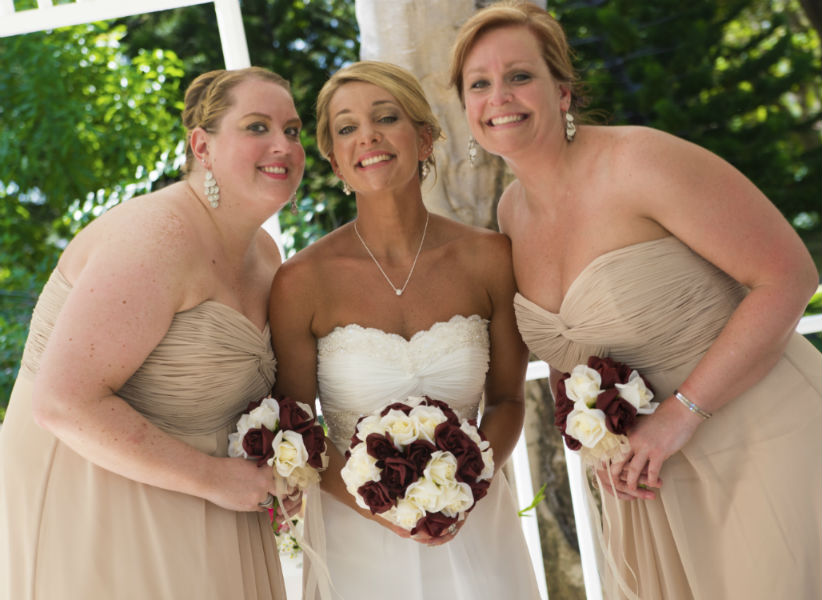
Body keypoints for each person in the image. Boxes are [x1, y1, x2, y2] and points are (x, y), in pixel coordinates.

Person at [449, 2, 822, 599]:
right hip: (650, 481)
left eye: (520, 76)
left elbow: (789, 276)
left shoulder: (640, 161)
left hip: (763, 439)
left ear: (562, 92)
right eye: (480, 84)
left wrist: (679, 417)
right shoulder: (511, 214)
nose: (501, 97)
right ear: (467, 108)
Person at [0, 66, 305, 599]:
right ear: (201, 146)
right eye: (257, 127)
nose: (282, 144)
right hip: (99, 512)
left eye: (293, 130)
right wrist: (216, 479)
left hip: (209, 515)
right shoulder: (156, 236)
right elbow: (63, 402)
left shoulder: (264, 255)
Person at [269, 60, 542, 600]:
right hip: (356, 541)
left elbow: (508, 400)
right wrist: (386, 507)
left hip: (475, 521)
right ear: (335, 163)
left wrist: (463, 487)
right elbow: (300, 434)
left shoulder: (488, 257)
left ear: (424, 138)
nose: (366, 136)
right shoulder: (301, 281)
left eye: (385, 117)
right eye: (347, 128)